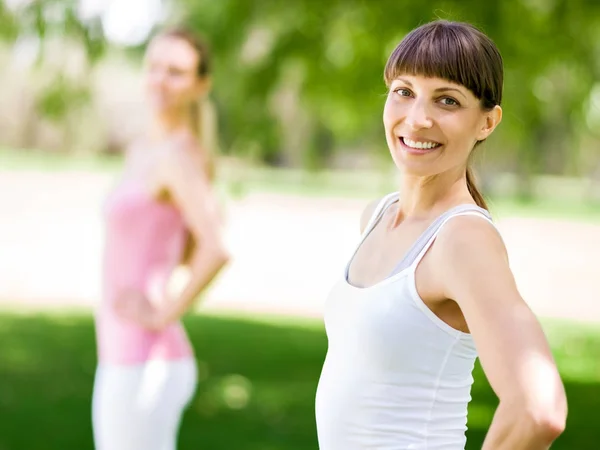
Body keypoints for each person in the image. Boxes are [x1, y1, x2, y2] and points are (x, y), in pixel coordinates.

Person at [315, 20, 567, 450]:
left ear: (487, 122)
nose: (417, 119)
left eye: (447, 100)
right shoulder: (377, 216)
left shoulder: (462, 239)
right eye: (405, 92)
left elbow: (537, 409)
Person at [92, 27, 229, 450]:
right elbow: (181, 248)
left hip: (145, 359)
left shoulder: (177, 157)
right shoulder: (143, 150)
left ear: (199, 86)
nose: (159, 79)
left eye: (175, 72)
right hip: (120, 352)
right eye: (154, 66)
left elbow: (215, 250)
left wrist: (161, 315)